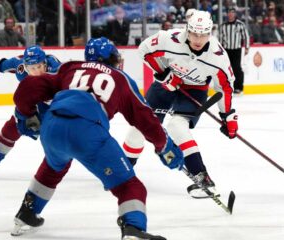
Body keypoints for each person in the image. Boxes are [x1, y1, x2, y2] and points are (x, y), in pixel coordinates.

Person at [11, 37, 184, 239]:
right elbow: (145, 117)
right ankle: (133, 229)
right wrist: (164, 146)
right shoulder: (121, 78)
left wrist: (26, 115)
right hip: (87, 130)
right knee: (129, 186)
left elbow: (28, 87)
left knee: (53, 166)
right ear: (110, 59)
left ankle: (26, 214)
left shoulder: (70, 68)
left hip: (52, 126)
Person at [122, 10, 238, 198]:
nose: (198, 39)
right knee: (140, 127)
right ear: (187, 30)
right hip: (165, 86)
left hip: (195, 90)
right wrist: (163, 73)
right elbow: (144, 50)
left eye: (203, 35)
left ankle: (202, 178)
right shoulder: (169, 38)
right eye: (194, 34)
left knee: (177, 126)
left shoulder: (218, 55)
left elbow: (224, 87)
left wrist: (229, 115)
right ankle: (123, 171)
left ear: (210, 33)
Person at [0, 46, 61, 179]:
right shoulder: (19, 67)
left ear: (45, 63)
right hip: (32, 106)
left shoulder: (56, 69)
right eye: (32, 68)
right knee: (11, 127)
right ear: (25, 67)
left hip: (53, 110)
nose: (37, 72)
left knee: (67, 139)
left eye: (39, 66)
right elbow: (3, 64)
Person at [219, 7, 250, 94]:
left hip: (236, 49)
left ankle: (239, 87)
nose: (230, 14)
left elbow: (246, 36)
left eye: (232, 12)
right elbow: (220, 38)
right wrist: (220, 50)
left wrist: (247, 47)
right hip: (226, 50)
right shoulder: (223, 26)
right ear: (227, 14)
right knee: (226, 69)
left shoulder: (240, 25)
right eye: (229, 12)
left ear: (235, 14)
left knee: (236, 68)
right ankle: (227, 87)